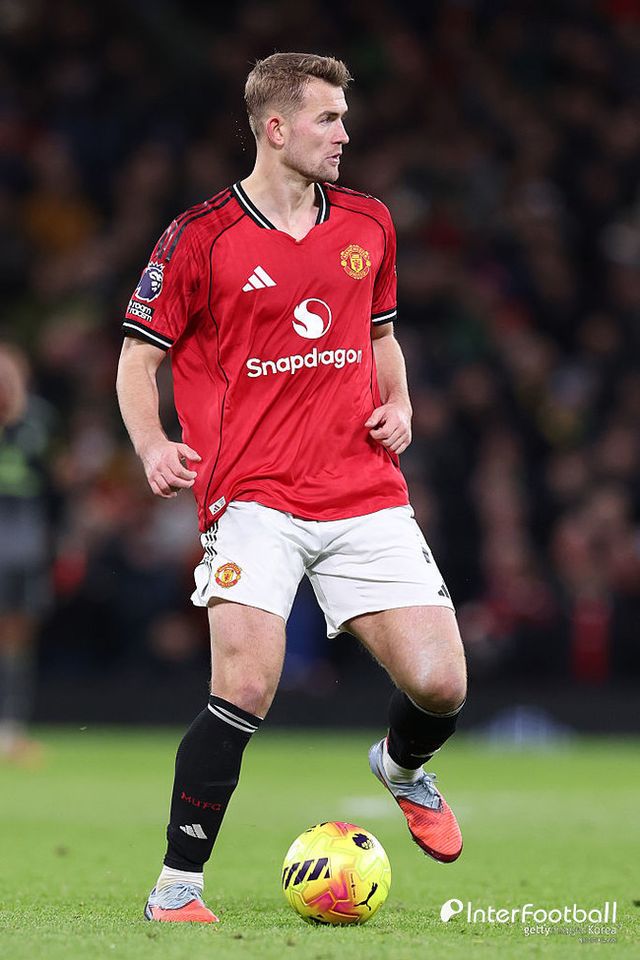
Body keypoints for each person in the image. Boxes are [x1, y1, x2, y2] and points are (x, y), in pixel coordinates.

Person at [116, 52, 467, 924]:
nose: (345, 134)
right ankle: (177, 888)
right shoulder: (199, 237)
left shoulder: (369, 222)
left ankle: (402, 768)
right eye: (328, 119)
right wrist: (154, 443)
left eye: (344, 117)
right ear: (276, 128)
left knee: (442, 686)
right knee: (245, 686)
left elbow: (380, 335)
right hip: (253, 498)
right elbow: (137, 359)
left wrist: (400, 403)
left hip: (362, 490)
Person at [0, 344, 53, 764]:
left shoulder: (39, 418)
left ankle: (11, 728)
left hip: (27, 538)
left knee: (18, 637)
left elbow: (56, 479)